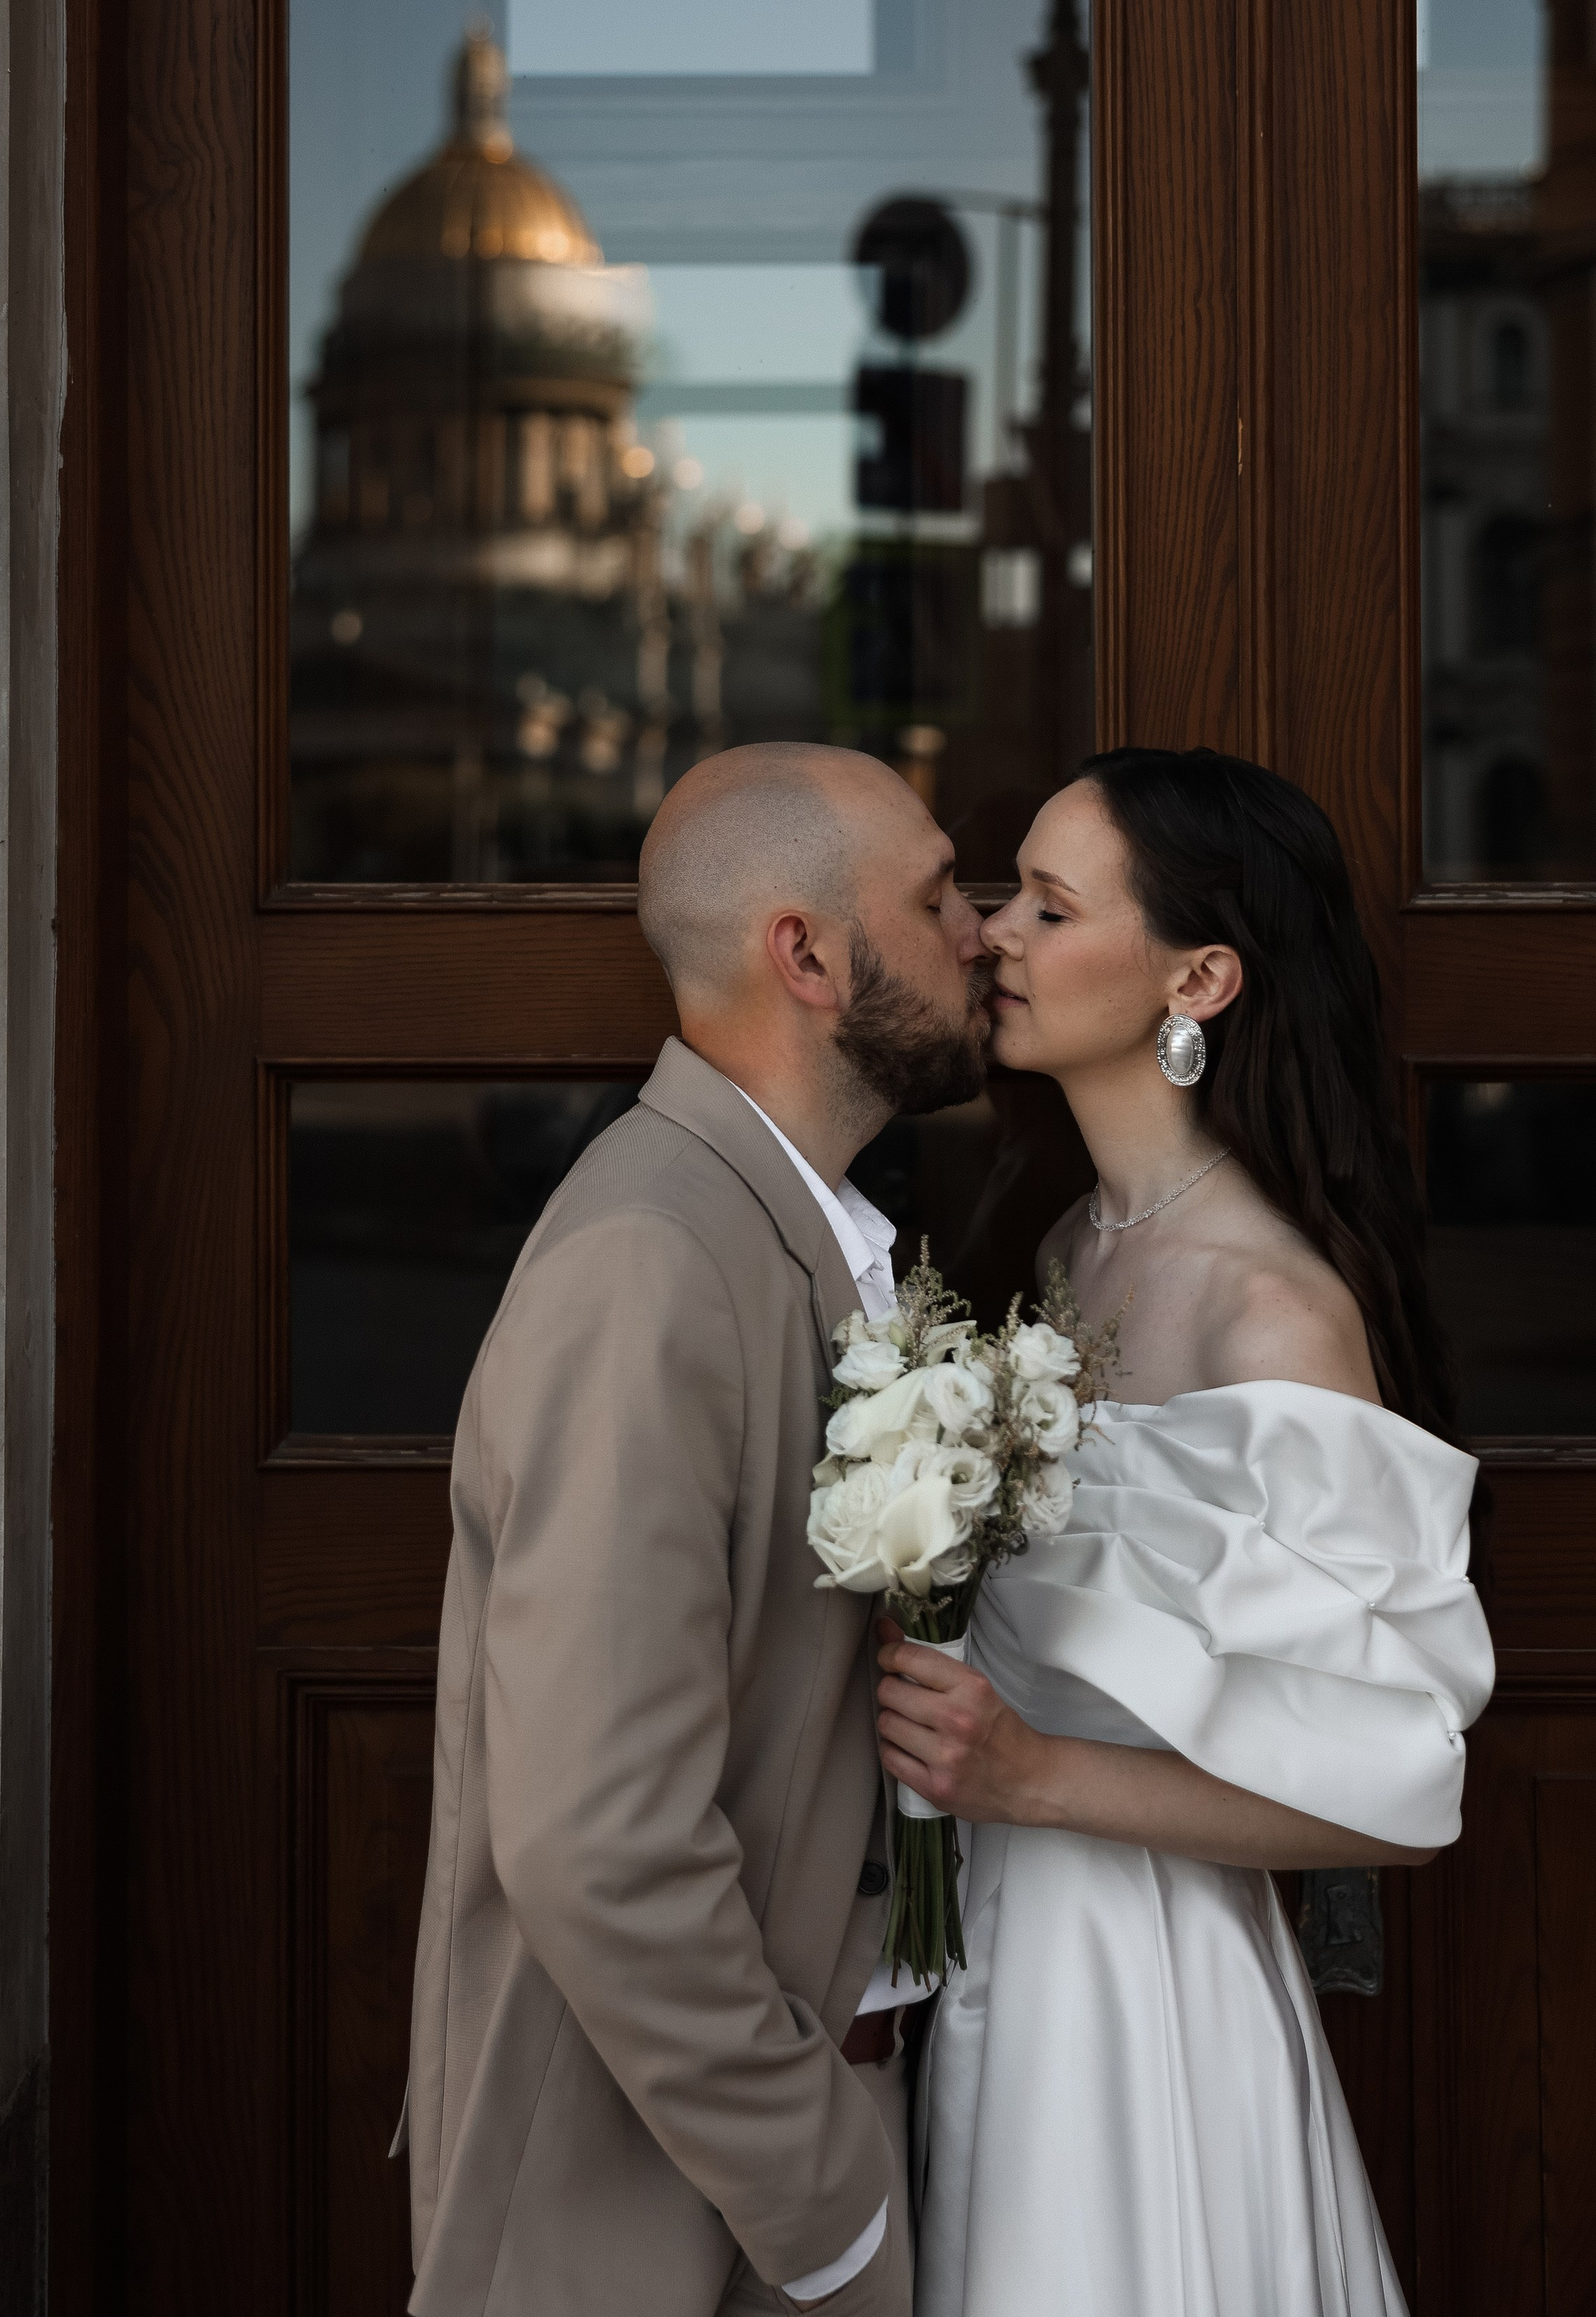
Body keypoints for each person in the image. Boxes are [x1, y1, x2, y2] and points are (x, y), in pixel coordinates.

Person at [877, 748, 1496, 2317]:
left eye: (1046, 903)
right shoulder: (1054, 1240)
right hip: (990, 1949)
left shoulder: (1270, 1313)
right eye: (1001, 891)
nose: (991, 933)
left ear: (1198, 977)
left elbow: (1396, 1792)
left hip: (1143, 1994)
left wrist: (1033, 1776)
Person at [403, 741, 993, 2317]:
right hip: (666, 2206)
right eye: (938, 896)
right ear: (802, 954)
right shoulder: (650, 1260)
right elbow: (596, 1836)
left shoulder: (798, 1225)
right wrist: (825, 2206)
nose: (982, 932)